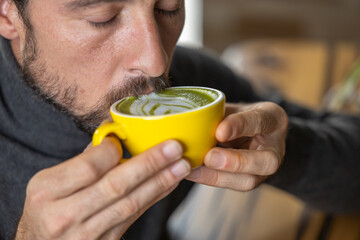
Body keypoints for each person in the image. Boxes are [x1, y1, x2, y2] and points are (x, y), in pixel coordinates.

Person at [0, 0, 359, 239]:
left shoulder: (189, 85)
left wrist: (287, 152)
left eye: (168, 7)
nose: (156, 62)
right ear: (7, 13)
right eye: (102, 18)